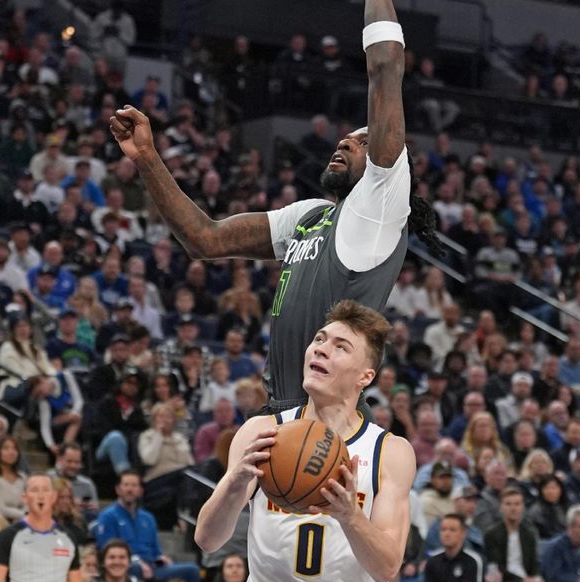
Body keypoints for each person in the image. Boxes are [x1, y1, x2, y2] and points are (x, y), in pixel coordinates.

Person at [109, 0, 442, 413]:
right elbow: (204, 239)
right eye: (346, 139)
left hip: (328, 418)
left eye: (363, 142)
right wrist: (146, 158)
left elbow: (386, 66)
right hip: (279, 413)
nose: (345, 143)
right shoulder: (307, 217)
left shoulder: (378, 210)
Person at [194, 300, 416, 582]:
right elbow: (207, 540)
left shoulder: (390, 452)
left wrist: (351, 517)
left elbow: (386, 569)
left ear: (366, 376)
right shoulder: (261, 432)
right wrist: (235, 482)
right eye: (319, 340)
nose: (321, 349)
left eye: (341, 347)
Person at [94, 471, 200, 582]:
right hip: (127, 566)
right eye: (126, 485)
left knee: (192, 570)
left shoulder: (148, 518)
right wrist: (136, 561)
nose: (130, 489)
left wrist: (161, 558)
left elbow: (156, 550)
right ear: (118, 489)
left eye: (134, 486)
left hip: (153, 567)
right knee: (136, 568)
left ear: (140, 491)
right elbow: (106, 550)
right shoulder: (108, 516)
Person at [0, 473, 85, 582]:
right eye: (34, 490)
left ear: (53, 496)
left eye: (45, 490)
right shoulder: (7, 537)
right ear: (25, 498)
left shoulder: (68, 538)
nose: (41, 496)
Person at [483, 487, 546, 582]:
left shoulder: (529, 534)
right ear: (501, 507)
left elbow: (534, 564)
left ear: (522, 507)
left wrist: (538, 579)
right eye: (508, 504)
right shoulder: (491, 534)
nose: (513, 508)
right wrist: (523, 580)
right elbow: (497, 567)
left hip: (527, 581)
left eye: (517, 504)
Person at [423, 514, 484, 582]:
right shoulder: (432, 561)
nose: (447, 534)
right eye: (443, 530)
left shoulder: (473, 561)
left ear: (463, 533)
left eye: (452, 530)